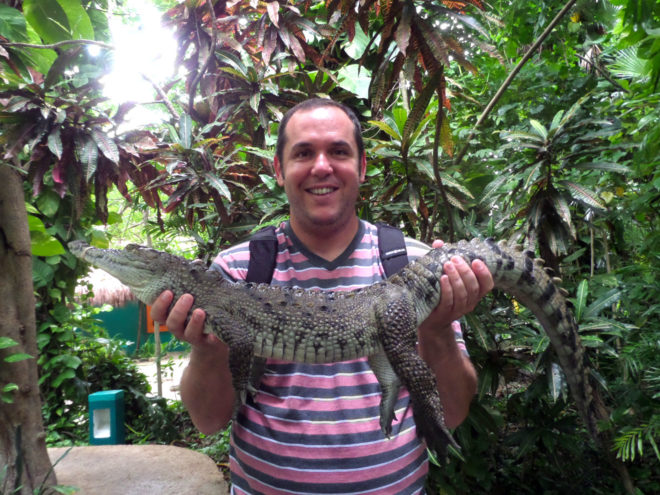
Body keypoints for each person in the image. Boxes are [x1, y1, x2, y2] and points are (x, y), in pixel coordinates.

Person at [151, 98, 493, 494]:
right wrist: (210, 349)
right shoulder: (235, 271)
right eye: (303, 153)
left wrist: (435, 331)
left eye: (339, 151)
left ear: (362, 167)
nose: (321, 166)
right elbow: (209, 421)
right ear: (279, 170)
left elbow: (451, 413)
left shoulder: (416, 263)